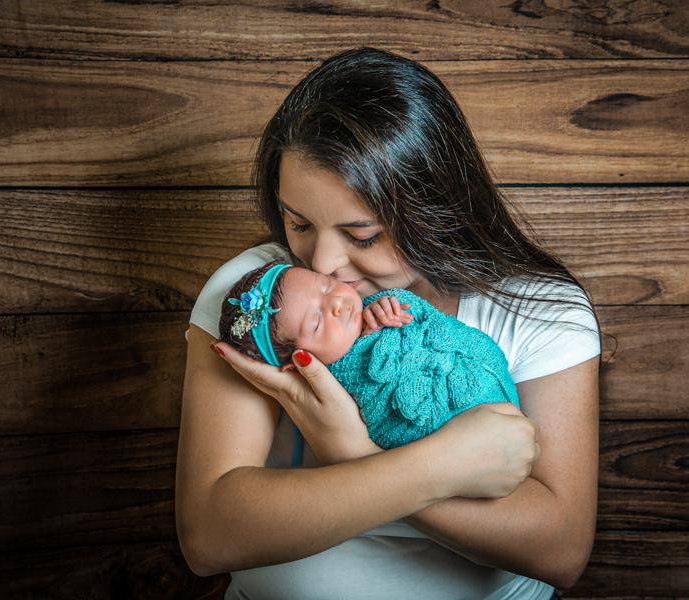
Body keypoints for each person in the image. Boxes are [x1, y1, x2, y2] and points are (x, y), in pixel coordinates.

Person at [176, 47, 601, 600]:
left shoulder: (539, 310)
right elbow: (208, 537)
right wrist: (417, 464)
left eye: (363, 236)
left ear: (438, 209)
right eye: (298, 223)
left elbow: (561, 551)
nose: (322, 263)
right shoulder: (256, 302)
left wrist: (355, 458)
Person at [218, 262, 520, 449]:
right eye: (317, 322)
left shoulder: (371, 307)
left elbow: (418, 314)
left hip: (477, 370)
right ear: (297, 362)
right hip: (454, 439)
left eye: (326, 286)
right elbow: (368, 429)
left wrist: (386, 306)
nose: (337, 304)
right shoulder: (332, 393)